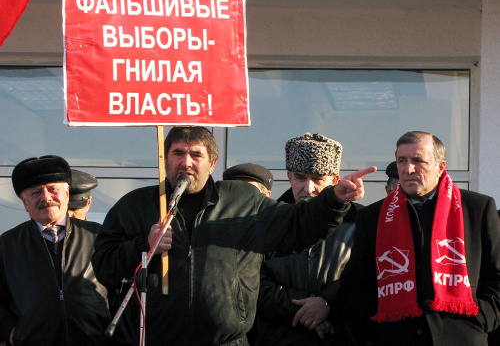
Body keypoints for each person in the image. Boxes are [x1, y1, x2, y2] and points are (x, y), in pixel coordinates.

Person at [91, 126, 376, 346]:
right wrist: (143, 246)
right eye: (178, 153)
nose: (186, 162)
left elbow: (296, 226)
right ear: (165, 159)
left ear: (212, 163)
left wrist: (334, 200)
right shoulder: (134, 206)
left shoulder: (242, 201)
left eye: (196, 155)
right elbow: (104, 265)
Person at [339, 131, 500, 346]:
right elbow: (356, 284)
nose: (408, 169)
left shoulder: (477, 208)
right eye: (402, 161)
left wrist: (480, 319)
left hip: (462, 337)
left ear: (440, 167)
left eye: (418, 161)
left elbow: (496, 276)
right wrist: (374, 329)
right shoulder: (373, 217)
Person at [253, 132, 360, 346]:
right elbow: (254, 281)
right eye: (300, 177)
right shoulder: (266, 222)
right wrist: (309, 312)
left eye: (318, 179)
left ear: (335, 179)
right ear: (289, 176)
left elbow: (366, 277)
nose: (308, 188)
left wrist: (328, 303)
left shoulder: (360, 222)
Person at [0, 155, 111, 345]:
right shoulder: (7, 246)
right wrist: (13, 335)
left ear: (67, 194)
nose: (46, 197)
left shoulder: (99, 237)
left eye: (53, 189)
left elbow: (123, 290)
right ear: (25, 202)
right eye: (36, 192)